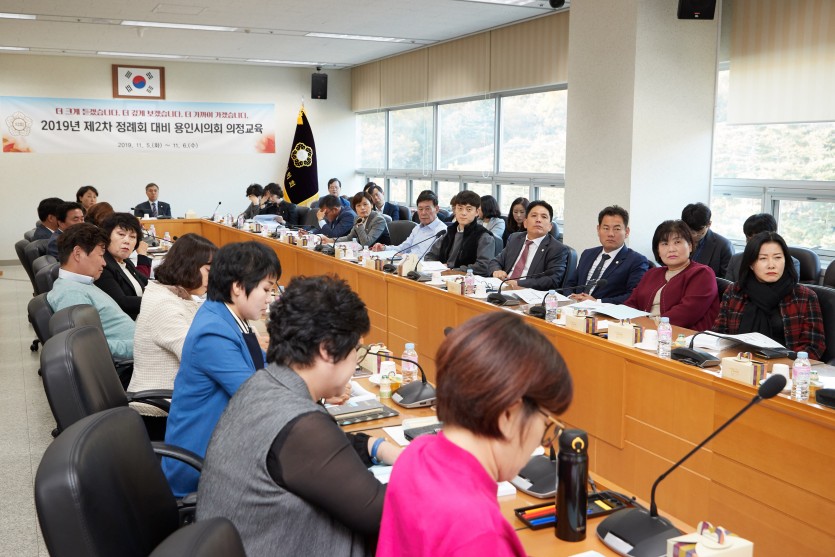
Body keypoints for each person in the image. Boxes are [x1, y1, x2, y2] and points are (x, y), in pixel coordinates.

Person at [197, 275, 401, 557]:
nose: (356, 359)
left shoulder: (265, 383)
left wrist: (374, 445)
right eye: (356, 350)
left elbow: (321, 457)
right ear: (327, 350)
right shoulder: (301, 425)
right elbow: (380, 513)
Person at [377, 311, 573, 557]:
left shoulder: (417, 453)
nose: (540, 442)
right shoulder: (480, 535)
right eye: (545, 425)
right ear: (508, 413)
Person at [162, 241, 281, 497]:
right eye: (266, 289)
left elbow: (263, 364)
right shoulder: (213, 331)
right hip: (203, 464)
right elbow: (256, 395)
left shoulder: (229, 317)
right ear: (237, 287)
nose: (270, 299)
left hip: (229, 446)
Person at [129, 233, 217, 440]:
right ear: (189, 266)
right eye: (208, 270)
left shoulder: (172, 294)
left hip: (174, 401)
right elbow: (199, 356)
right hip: (160, 413)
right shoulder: (164, 305)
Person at [714, 232, 825, 360]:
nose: (771, 265)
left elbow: (813, 346)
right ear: (751, 264)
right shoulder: (735, 292)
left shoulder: (804, 297)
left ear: (786, 260)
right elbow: (719, 334)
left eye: (777, 257)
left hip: (785, 367)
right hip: (737, 363)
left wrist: (782, 365)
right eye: (763, 258)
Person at [46, 223, 135, 359]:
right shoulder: (71, 294)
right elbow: (88, 347)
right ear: (78, 254)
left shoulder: (82, 283)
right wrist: (143, 346)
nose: (104, 263)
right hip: (135, 360)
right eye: (101, 255)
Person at [624, 220, 719, 330]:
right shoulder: (651, 274)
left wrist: (647, 325)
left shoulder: (702, 273)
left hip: (680, 336)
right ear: (658, 251)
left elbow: (687, 313)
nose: (671, 249)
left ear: (690, 246)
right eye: (665, 244)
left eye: (677, 242)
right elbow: (631, 303)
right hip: (642, 331)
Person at [565, 205, 649, 304]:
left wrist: (597, 302)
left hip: (605, 312)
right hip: (575, 308)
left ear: (627, 232)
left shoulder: (636, 260)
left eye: (617, 229)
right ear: (598, 229)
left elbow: (633, 295)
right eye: (606, 228)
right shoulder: (587, 254)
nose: (610, 234)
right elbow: (570, 283)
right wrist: (571, 297)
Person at [488, 200, 568, 290]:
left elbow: (552, 280)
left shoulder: (557, 248)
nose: (538, 220)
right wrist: (497, 270)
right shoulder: (515, 238)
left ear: (550, 226)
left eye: (544, 217)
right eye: (534, 216)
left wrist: (519, 283)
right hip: (502, 287)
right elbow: (496, 261)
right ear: (525, 223)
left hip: (527, 292)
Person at [93, 213, 151, 320]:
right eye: (121, 234)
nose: (127, 241)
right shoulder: (103, 265)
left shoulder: (125, 261)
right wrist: (158, 301)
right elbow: (121, 302)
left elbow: (147, 282)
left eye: (132, 237)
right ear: (107, 236)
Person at [425, 191, 494, 275]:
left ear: (477, 212)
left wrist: (452, 270)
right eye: (460, 208)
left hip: (466, 280)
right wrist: (437, 267)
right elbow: (430, 256)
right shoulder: (449, 232)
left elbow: (483, 267)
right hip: (441, 276)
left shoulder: (484, 236)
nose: (463, 213)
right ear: (455, 210)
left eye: (469, 209)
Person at [725, 213, 800, 282]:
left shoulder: (792, 263)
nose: (752, 244)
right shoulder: (736, 259)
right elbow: (729, 287)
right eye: (748, 239)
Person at [372, 190, 447, 254]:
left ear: (437, 209)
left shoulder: (442, 232)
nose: (423, 213)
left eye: (427, 209)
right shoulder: (418, 228)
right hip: (409, 263)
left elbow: (432, 259)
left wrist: (407, 257)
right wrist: (384, 248)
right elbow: (403, 248)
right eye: (420, 209)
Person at [681, 202, 734, 278]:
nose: (694, 235)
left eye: (699, 231)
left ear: (709, 224)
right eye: (690, 230)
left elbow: (727, 281)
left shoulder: (723, 245)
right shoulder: (675, 240)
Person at [323, 191, 390, 247]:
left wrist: (359, 224)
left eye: (365, 204)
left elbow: (366, 243)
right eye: (358, 205)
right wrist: (331, 240)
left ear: (372, 205)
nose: (362, 208)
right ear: (355, 208)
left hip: (381, 254)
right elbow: (350, 237)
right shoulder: (357, 218)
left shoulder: (378, 220)